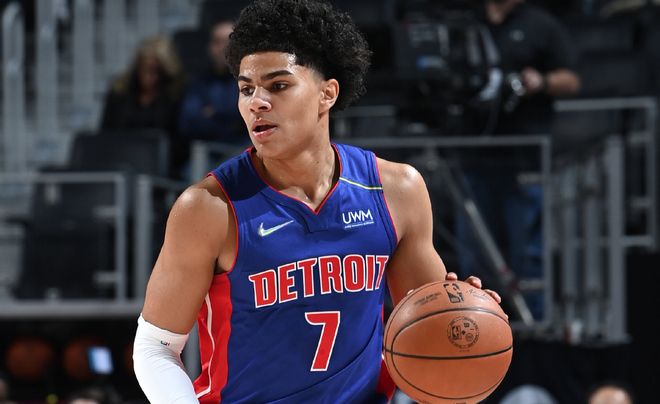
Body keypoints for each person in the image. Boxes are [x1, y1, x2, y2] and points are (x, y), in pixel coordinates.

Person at [132, 0, 503, 402]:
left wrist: (465, 315)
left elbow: (431, 333)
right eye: (246, 89)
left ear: (327, 93)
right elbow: (155, 348)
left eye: (278, 85)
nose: (256, 102)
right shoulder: (209, 208)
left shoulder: (396, 190)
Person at [454, 0, 580, 320]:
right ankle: (477, 322)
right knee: (475, 252)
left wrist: (542, 82)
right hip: (473, 154)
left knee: (529, 249)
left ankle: (534, 323)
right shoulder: (465, 22)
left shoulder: (540, 23)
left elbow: (572, 80)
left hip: (524, 157)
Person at [99, 35, 186, 178]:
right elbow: (106, 134)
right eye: (145, 68)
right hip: (121, 164)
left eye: (156, 71)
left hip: (162, 170)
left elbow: (180, 144)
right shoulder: (119, 92)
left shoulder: (176, 96)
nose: (150, 76)